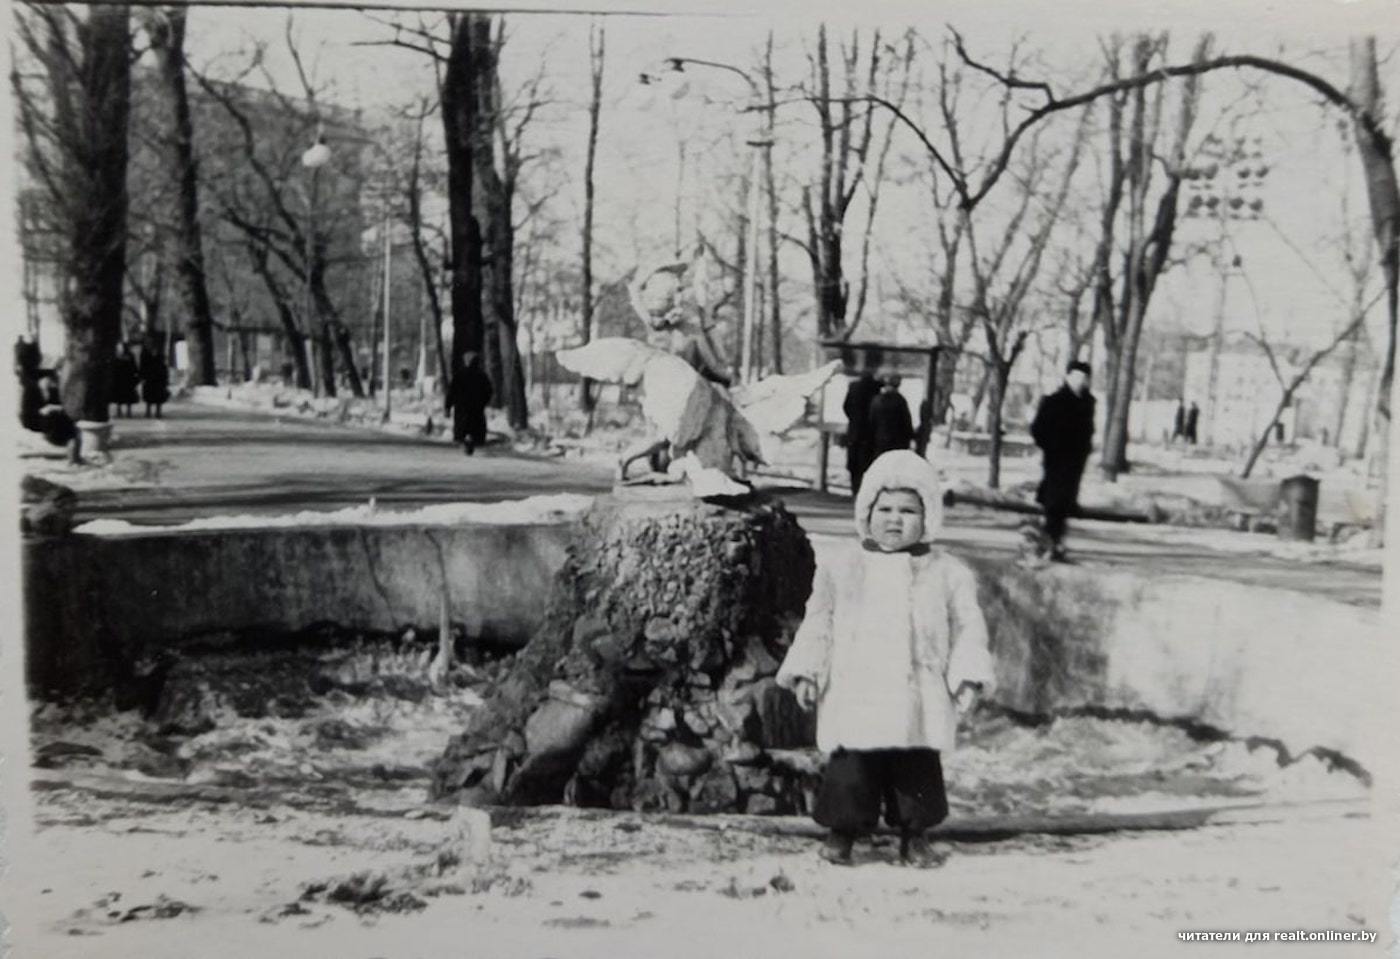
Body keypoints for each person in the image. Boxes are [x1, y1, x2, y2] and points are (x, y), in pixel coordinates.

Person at [776, 450, 994, 867]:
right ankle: (842, 834)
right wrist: (808, 671)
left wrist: (967, 675)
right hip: (857, 691)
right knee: (851, 769)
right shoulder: (844, 567)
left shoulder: (947, 573)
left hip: (920, 694)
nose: (895, 520)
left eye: (909, 511)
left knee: (916, 771)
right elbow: (819, 620)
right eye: (885, 509)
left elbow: (969, 626)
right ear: (866, 511)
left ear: (928, 516)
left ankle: (915, 836)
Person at [1029, 360, 1095, 563]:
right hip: (1057, 461)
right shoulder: (1054, 401)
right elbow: (1037, 428)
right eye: (1076, 377)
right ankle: (1049, 545)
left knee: (1065, 504)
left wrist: (1085, 448)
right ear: (1067, 377)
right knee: (1054, 504)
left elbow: (1088, 431)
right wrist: (1052, 446)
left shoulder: (1088, 403)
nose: (1080, 382)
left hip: (1076, 462)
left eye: (1084, 378)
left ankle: (1054, 543)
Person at [20, 370, 82, 464]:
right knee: (73, 434)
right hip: (50, 420)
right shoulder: (44, 385)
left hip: (50, 417)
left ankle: (73, 459)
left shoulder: (41, 384)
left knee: (73, 433)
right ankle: (74, 459)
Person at [446, 351, 493, 455]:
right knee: (475, 426)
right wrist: (484, 401)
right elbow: (489, 391)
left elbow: (452, 392)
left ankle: (464, 441)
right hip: (476, 407)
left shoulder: (459, 375)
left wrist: (448, 406)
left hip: (462, 407)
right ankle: (473, 441)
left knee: (463, 427)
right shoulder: (482, 375)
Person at [841, 371, 880, 494]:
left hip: (854, 430)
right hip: (870, 432)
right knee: (867, 462)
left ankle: (855, 488)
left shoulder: (853, 387)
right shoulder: (876, 388)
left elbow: (845, 406)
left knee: (854, 463)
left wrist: (853, 418)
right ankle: (864, 490)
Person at [868, 375, 915, 457]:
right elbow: (906, 421)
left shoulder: (877, 400)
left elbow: (871, 421)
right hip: (897, 442)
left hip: (880, 440)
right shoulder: (900, 400)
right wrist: (910, 436)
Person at [139, 343, 170, 418]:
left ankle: (158, 412)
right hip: (149, 380)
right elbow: (143, 368)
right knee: (149, 397)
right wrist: (143, 377)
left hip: (159, 381)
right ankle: (148, 412)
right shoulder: (147, 359)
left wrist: (165, 379)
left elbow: (164, 369)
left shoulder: (160, 359)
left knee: (158, 398)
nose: (154, 352)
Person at [112, 343, 140, 418]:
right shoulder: (117, 355)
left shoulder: (130, 355)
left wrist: (136, 375)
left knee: (129, 396)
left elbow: (134, 366)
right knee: (118, 396)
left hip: (128, 379)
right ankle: (119, 410)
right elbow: (114, 367)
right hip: (119, 379)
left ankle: (128, 411)